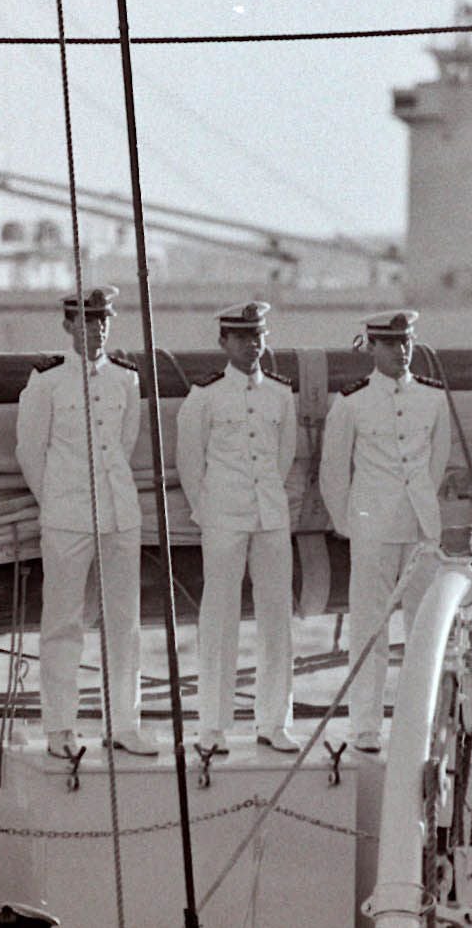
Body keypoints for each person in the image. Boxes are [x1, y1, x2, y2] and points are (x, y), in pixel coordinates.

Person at [15, 286, 155, 758]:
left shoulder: (125, 380)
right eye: (86, 321)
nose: (95, 329)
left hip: (119, 513)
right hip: (67, 515)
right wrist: (56, 500)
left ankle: (123, 724)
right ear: (68, 325)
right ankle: (60, 727)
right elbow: (30, 452)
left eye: (102, 321)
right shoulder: (47, 382)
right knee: (63, 623)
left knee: (124, 623)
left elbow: (124, 442)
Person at [319, 310, 452, 753]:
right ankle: (365, 726)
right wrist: (350, 523)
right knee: (370, 629)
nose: (402, 350)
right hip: (372, 526)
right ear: (371, 347)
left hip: (420, 528)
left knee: (424, 630)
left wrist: (424, 512)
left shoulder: (433, 400)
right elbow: (334, 472)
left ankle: (417, 724)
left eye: (407, 341)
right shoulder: (351, 402)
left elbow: (436, 464)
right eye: (392, 343)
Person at [175, 301, 302, 755]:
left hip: (269, 515)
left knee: (276, 619)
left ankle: (274, 721)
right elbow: (191, 463)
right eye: (244, 337)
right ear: (224, 342)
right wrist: (208, 509)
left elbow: (283, 457)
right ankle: (212, 724)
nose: (253, 344)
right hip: (223, 516)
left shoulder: (281, 395)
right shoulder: (205, 396)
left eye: (259, 336)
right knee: (219, 618)